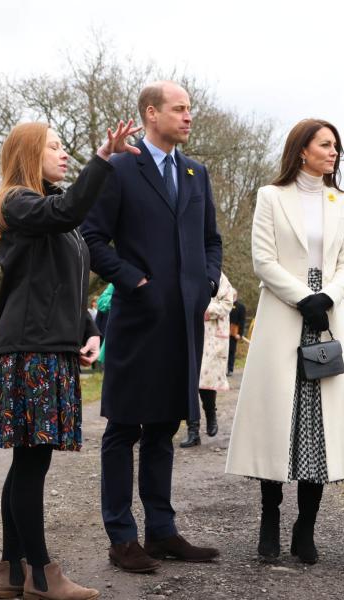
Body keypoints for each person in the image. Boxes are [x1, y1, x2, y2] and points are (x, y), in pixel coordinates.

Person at [0, 118, 140, 600]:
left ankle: (12, 573)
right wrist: (104, 158)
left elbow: (63, 284)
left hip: (49, 347)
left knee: (28, 463)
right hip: (28, 350)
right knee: (31, 464)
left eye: (64, 147)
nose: (63, 153)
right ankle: (42, 574)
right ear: (29, 154)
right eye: (53, 147)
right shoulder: (20, 203)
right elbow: (69, 210)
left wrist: (89, 329)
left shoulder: (48, 210)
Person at [81, 80, 223, 573]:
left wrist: (205, 281)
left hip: (183, 322)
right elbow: (92, 237)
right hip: (137, 320)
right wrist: (132, 280)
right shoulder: (121, 168)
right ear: (151, 113)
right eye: (179, 109)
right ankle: (123, 539)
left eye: (190, 109)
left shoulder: (195, 172)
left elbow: (211, 240)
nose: (188, 117)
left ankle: (162, 532)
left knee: (163, 428)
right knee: (124, 428)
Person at [225, 119, 344, 564]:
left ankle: (305, 526)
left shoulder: (341, 202)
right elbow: (263, 261)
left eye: (337, 147)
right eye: (326, 145)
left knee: (319, 425)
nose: (334, 154)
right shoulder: (271, 197)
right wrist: (303, 296)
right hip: (285, 314)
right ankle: (269, 517)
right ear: (302, 150)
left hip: (326, 316)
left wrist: (328, 295)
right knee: (277, 418)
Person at [180, 272, 235, 448]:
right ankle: (193, 430)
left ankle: (211, 414)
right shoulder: (186, 271)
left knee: (206, 382)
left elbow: (227, 304)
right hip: (189, 333)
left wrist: (203, 308)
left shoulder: (219, 277)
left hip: (212, 337)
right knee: (190, 382)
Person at [227, 291, 247, 376]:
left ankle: (230, 369)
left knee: (231, 351)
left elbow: (242, 321)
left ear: (235, 295)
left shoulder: (241, 307)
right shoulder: (226, 304)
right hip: (223, 331)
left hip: (234, 332)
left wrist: (240, 333)